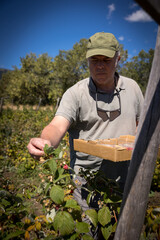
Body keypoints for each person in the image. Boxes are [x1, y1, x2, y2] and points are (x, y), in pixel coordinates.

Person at [27, 32, 144, 238]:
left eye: (106, 60)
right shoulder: (76, 93)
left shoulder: (133, 88)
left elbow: (141, 126)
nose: (100, 66)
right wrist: (45, 142)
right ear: (87, 60)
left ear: (118, 58)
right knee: (90, 232)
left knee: (125, 231)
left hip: (126, 181)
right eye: (94, 60)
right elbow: (57, 125)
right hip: (87, 184)